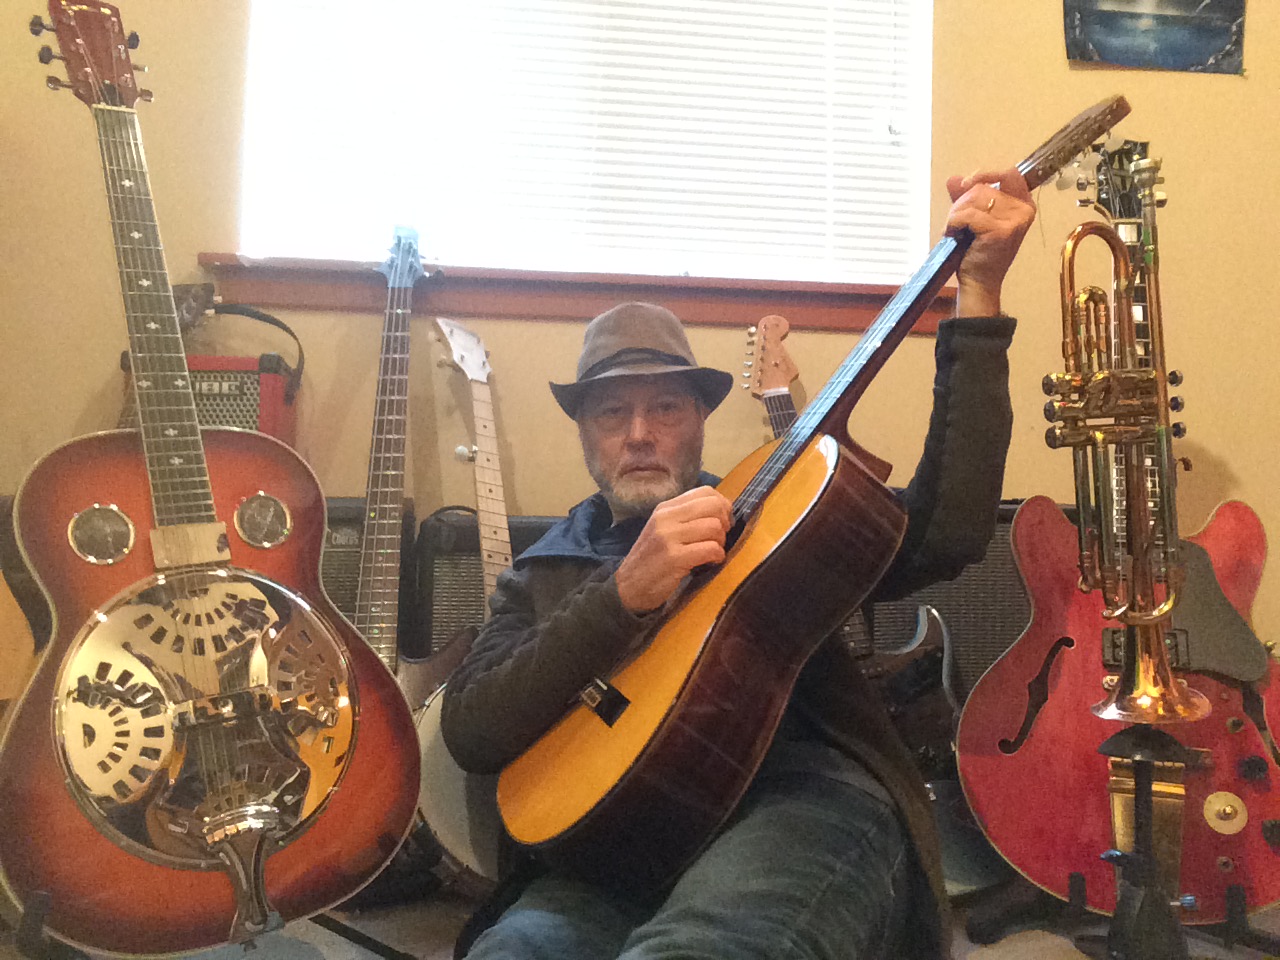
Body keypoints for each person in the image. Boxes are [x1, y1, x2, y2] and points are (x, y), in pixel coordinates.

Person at [439, 167, 1037, 959]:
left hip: (799, 800)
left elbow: (947, 531)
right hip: (606, 844)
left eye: (668, 407)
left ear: (700, 423)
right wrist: (620, 595)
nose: (641, 432)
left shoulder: (775, 516)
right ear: (585, 435)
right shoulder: (542, 572)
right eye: (613, 411)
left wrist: (979, 300)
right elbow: (475, 731)